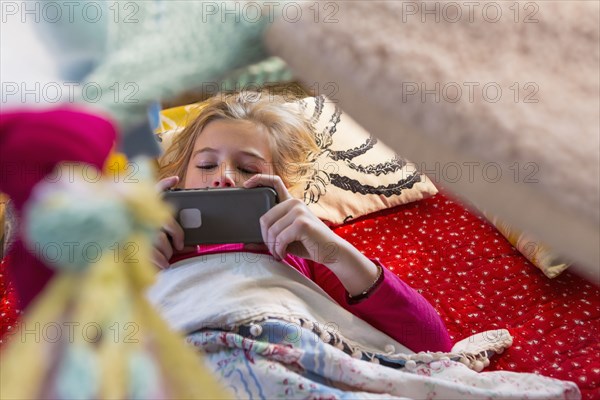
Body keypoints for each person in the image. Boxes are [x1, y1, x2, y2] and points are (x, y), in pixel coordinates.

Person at [152, 91, 452, 354]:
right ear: (180, 175)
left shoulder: (301, 249)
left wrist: (334, 250)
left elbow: (433, 345)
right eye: (206, 164)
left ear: (278, 187)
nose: (224, 176)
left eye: (246, 168)